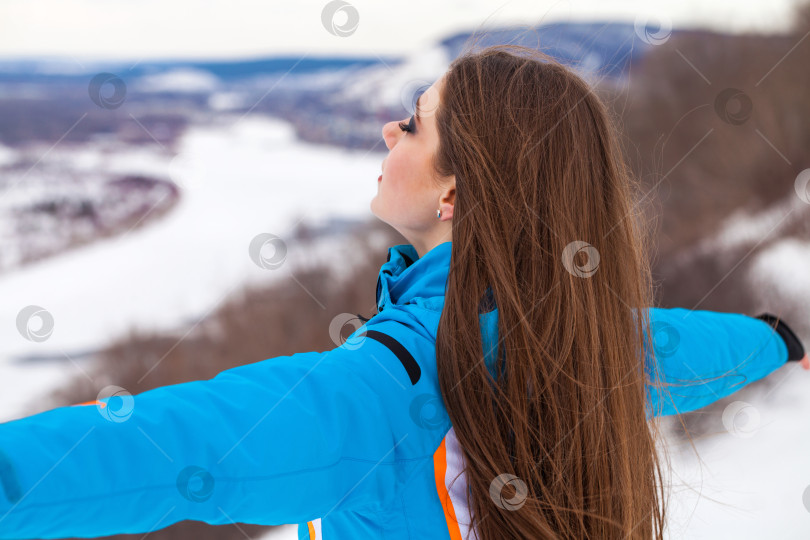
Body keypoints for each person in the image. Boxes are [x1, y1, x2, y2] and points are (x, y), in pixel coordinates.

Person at [0, 44, 807, 540]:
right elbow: (685, 349)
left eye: (415, 124)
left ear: (455, 195)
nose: (391, 131)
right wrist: (777, 338)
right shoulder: (585, 331)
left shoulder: (401, 378)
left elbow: (186, 444)